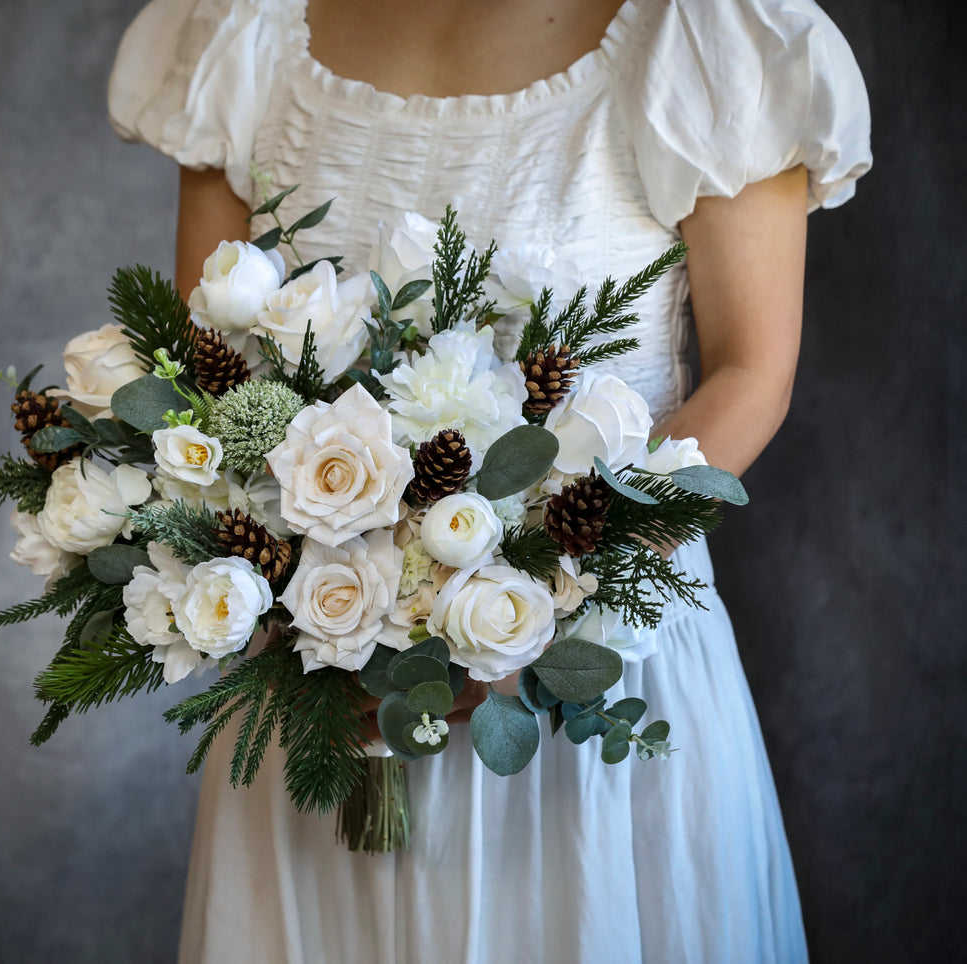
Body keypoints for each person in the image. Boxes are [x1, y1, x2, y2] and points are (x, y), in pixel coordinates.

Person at [108, 0, 871, 960]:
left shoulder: (707, 36)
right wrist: (311, 602)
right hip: (316, 688)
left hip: (586, 682)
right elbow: (208, 379)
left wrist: (537, 602)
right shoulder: (242, 32)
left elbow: (749, 373)